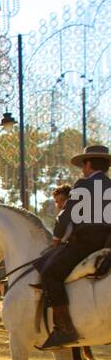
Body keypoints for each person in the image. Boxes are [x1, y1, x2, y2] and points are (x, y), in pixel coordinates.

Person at [40, 145, 111, 348]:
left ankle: (64, 328)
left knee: (50, 274)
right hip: (109, 243)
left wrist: (56, 239)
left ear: (88, 164)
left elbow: (67, 216)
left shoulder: (83, 185)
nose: (82, 169)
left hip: (86, 244)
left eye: (83, 165)